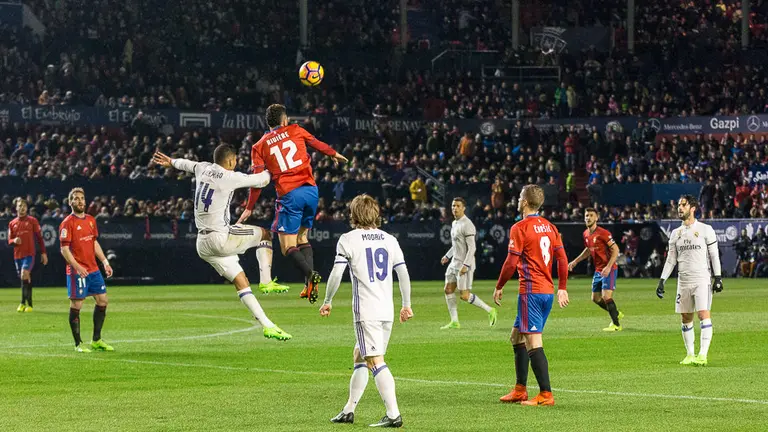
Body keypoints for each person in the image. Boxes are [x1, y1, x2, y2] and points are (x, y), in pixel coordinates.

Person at [152, 145, 292, 341]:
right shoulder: (229, 177)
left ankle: (268, 325)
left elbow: (188, 165)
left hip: (202, 243)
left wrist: (171, 162)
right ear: (229, 161)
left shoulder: (203, 168)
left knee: (241, 282)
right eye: (235, 161)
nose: (236, 164)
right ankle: (266, 281)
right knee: (265, 234)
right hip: (220, 237)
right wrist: (276, 167)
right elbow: (262, 180)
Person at [239, 104, 348, 303]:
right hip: (311, 191)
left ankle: (310, 274)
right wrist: (333, 154)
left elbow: (257, 180)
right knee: (303, 237)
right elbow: (316, 143)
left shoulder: (259, 146)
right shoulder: (296, 129)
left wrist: (249, 207)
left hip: (290, 194)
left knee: (286, 246)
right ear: (284, 120)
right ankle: (309, 285)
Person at [320, 194, 413, 428]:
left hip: (366, 311)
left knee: (375, 360)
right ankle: (349, 410)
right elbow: (402, 273)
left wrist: (328, 299)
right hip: (386, 310)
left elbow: (336, 273)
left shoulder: (348, 239)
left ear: (354, 214)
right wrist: (406, 304)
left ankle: (393, 414)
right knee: (359, 355)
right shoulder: (390, 239)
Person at [494, 185, 569, 406]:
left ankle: (546, 394)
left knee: (533, 341)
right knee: (516, 337)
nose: (517, 200)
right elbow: (562, 260)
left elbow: (511, 262)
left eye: (519, 196)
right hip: (546, 291)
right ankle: (520, 389)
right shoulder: (550, 227)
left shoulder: (520, 227)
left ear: (525, 202)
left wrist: (499, 285)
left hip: (531, 291)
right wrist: (562, 287)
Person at [657, 195, 722, 366]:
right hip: (683, 281)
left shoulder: (705, 229)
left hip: (702, 279)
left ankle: (703, 354)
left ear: (693, 208)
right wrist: (662, 280)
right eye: (678, 205)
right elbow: (671, 259)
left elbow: (714, 255)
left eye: (683, 205)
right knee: (686, 317)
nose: (679, 208)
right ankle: (690, 354)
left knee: (703, 314)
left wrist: (718, 277)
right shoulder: (675, 233)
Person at [59, 188, 115, 352]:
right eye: (76, 199)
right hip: (77, 271)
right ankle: (78, 344)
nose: (80, 201)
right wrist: (77, 266)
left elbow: (93, 243)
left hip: (93, 269)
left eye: (82, 198)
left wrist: (105, 262)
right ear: (70, 202)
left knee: (103, 300)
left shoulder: (91, 220)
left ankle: (96, 340)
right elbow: (64, 249)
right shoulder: (67, 223)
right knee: (77, 304)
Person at [439, 197, 497, 329]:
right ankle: (454, 321)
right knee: (448, 290)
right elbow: (456, 245)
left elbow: (472, 248)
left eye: (458, 206)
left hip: (464, 264)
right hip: (454, 263)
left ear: (464, 208)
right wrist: (447, 256)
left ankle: (490, 310)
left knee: (464, 296)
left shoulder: (467, 225)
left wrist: (466, 265)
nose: (455, 208)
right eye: (453, 206)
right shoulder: (454, 223)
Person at [567, 208, 624, 331]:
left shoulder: (603, 233)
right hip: (599, 270)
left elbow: (616, 249)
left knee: (606, 296)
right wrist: (575, 261)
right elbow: (588, 250)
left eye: (591, 215)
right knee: (595, 298)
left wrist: (609, 267)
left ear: (596, 218)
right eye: (586, 215)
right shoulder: (586, 234)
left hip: (609, 268)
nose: (588, 217)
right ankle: (616, 313)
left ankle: (616, 325)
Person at [8, 198, 48, 312]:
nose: (22, 208)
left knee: (24, 274)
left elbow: (40, 238)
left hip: (29, 254)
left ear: (27, 208)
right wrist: (14, 240)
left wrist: (44, 253)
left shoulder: (32, 221)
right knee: (26, 278)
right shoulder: (12, 223)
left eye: (24, 206)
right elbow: (9, 241)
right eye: (20, 206)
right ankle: (29, 304)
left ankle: (22, 302)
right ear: (16, 208)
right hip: (17, 256)